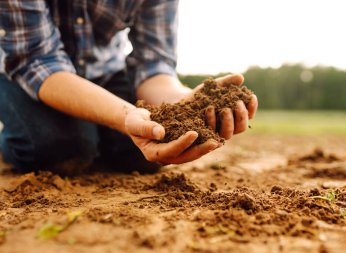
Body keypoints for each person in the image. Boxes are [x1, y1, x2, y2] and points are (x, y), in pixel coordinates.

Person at [0, 0, 258, 175]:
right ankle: (12, 133)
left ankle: (93, 135)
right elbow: (37, 60)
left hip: (103, 70)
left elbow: (153, 64)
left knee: (143, 153)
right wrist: (124, 117)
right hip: (25, 72)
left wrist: (187, 104)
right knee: (62, 148)